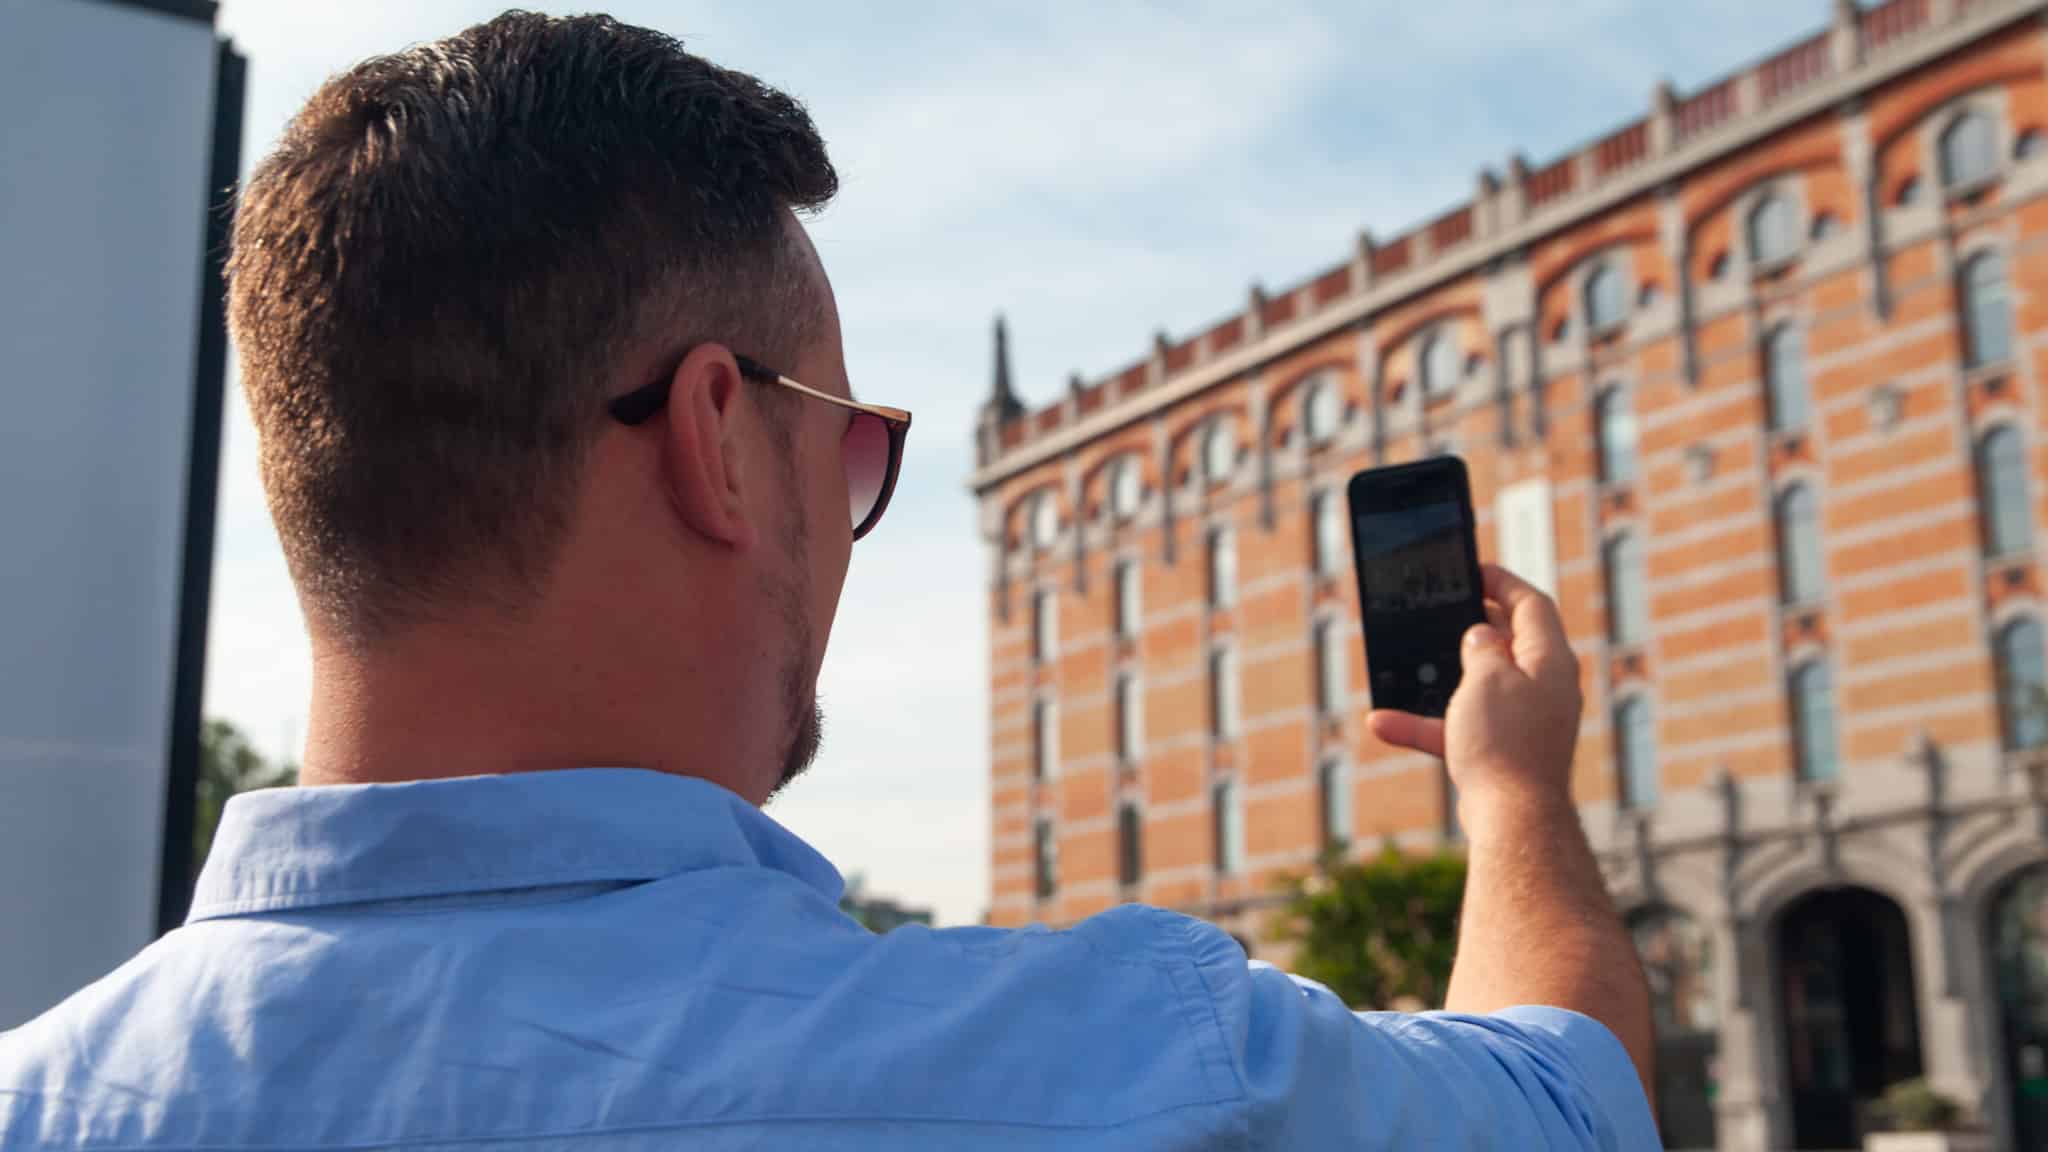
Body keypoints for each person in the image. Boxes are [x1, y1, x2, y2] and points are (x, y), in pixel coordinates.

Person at [0, 12, 1658, 1149]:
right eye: (846, 442)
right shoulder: (1134, 1069)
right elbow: (1571, 1104)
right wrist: (1514, 793)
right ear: (718, 436)